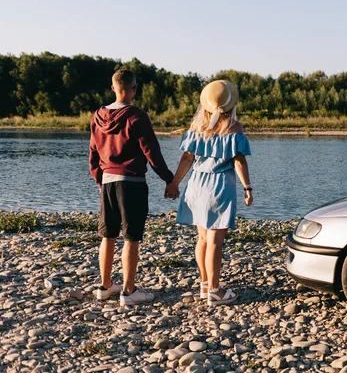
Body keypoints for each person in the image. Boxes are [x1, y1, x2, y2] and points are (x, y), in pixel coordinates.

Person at [89, 69, 174, 306]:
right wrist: (169, 179)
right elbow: (152, 152)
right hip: (132, 183)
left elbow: (93, 153)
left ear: (113, 87)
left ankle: (105, 286)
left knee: (107, 235)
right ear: (134, 89)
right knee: (131, 238)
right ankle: (128, 291)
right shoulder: (137, 116)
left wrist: (99, 180)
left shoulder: (97, 115)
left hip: (107, 181)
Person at [165, 80, 253, 306]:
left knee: (202, 238)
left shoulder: (197, 128)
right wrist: (247, 188)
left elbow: (186, 159)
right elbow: (239, 161)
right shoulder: (234, 128)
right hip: (219, 185)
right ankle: (214, 290)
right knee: (215, 241)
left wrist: (174, 184)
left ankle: (205, 284)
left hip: (196, 184)